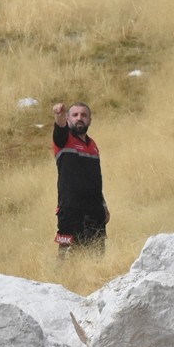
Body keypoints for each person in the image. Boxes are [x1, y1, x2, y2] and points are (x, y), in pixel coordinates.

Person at [52, 101, 110, 253]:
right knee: (66, 259)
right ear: (68, 119)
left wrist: (103, 206)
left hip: (95, 212)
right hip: (71, 211)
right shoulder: (63, 140)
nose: (79, 118)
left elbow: (95, 180)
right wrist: (59, 115)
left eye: (84, 115)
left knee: (96, 257)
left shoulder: (93, 146)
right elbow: (59, 127)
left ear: (90, 120)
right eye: (75, 115)